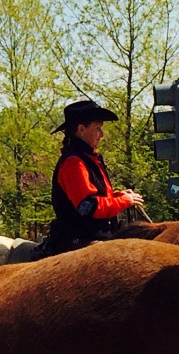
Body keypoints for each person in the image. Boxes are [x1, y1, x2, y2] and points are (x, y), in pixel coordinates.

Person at [43, 98, 145, 256]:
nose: (102, 134)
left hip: (94, 236)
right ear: (81, 129)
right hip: (77, 240)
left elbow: (96, 198)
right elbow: (88, 207)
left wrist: (118, 196)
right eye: (97, 129)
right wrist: (124, 201)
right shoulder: (73, 163)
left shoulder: (88, 158)